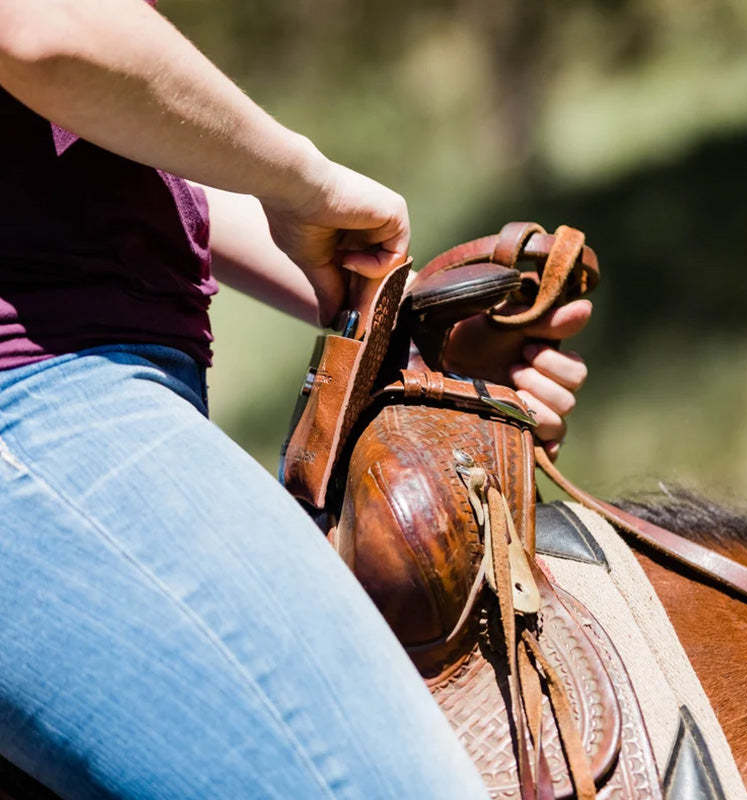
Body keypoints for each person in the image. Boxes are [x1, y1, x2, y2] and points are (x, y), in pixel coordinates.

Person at [0, 1, 592, 798]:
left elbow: (94, 141)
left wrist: (390, 318)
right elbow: (44, 32)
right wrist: (300, 177)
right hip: (38, 402)